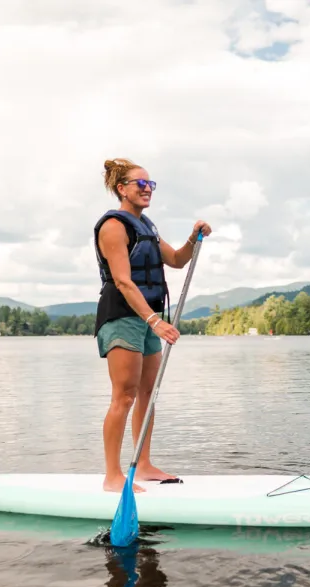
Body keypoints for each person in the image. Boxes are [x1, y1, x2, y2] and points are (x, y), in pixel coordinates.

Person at [94, 158, 211, 492]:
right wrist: (154, 321)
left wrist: (193, 237)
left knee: (148, 392)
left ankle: (143, 464)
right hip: (122, 317)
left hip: (148, 318)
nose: (147, 189)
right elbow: (123, 281)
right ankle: (112, 475)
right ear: (121, 189)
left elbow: (175, 259)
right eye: (139, 184)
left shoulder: (148, 226)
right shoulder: (113, 227)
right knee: (124, 395)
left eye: (151, 184)